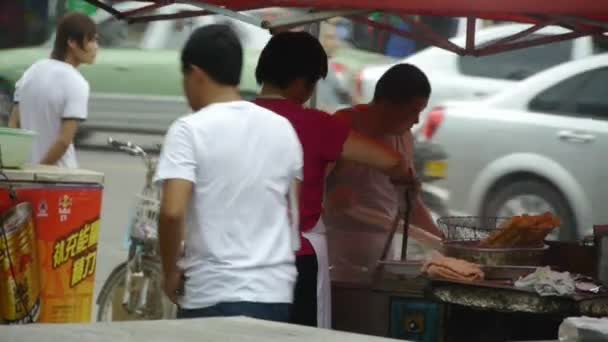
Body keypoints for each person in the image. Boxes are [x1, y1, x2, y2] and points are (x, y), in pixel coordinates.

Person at [254, 31, 412, 328]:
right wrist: (404, 174)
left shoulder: (233, 118)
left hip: (239, 252)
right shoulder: (316, 125)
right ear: (303, 81)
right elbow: (391, 161)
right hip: (295, 259)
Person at [154, 24, 303, 323]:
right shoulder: (283, 129)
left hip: (213, 295)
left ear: (195, 74)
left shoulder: (189, 130)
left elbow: (172, 212)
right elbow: (290, 212)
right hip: (275, 295)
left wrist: (170, 271)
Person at [324, 63, 444, 272]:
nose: (416, 121)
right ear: (388, 103)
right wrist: (329, 196)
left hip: (384, 254)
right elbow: (311, 187)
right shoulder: (344, 125)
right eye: (413, 111)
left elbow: (410, 204)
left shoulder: (404, 137)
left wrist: (444, 244)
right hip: (336, 255)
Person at [9, 12, 97, 168]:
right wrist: (39, 171)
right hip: (59, 177)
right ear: (72, 42)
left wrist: (23, 169)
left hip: (24, 171)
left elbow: (14, 123)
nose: (95, 47)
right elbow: (64, 140)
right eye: (91, 40)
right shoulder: (76, 83)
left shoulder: (32, 71)